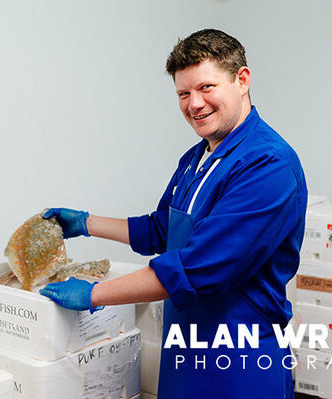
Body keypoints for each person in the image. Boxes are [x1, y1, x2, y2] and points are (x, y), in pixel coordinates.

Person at [40, 29, 307, 398]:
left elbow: (197, 268)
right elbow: (161, 230)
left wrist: (94, 294)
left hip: (240, 358)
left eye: (206, 88)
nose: (194, 104)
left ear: (241, 80)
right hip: (185, 345)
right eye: (184, 93)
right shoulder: (198, 157)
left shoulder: (268, 165)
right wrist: (85, 223)